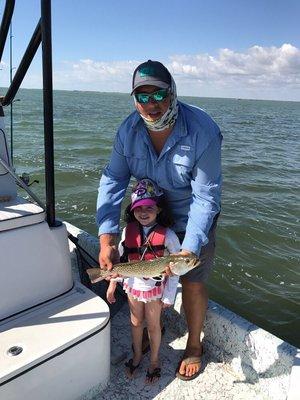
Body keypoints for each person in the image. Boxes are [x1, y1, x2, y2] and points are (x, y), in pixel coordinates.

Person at [97, 60, 222, 380]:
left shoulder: (202, 130)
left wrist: (186, 250)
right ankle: (157, 316)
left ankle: (194, 346)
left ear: (173, 92)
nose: (150, 105)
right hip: (150, 215)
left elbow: (205, 198)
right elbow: (112, 180)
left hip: (191, 215)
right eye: (142, 97)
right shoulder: (128, 130)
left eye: (158, 96)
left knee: (192, 279)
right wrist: (108, 238)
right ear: (133, 99)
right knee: (146, 270)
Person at [106, 178, 180, 383]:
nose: (143, 212)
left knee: (154, 326)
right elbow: (119, 262)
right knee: (136, 322)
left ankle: (154, 360)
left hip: (155, 289)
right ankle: (138, 354)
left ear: (159, 209)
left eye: (149, 207)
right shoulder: (126, 231)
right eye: (138, 208)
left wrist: (169, 296)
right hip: (132, 287)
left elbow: (176, 270)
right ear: (132, 211)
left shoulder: (169, 236)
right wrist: (112, 284)